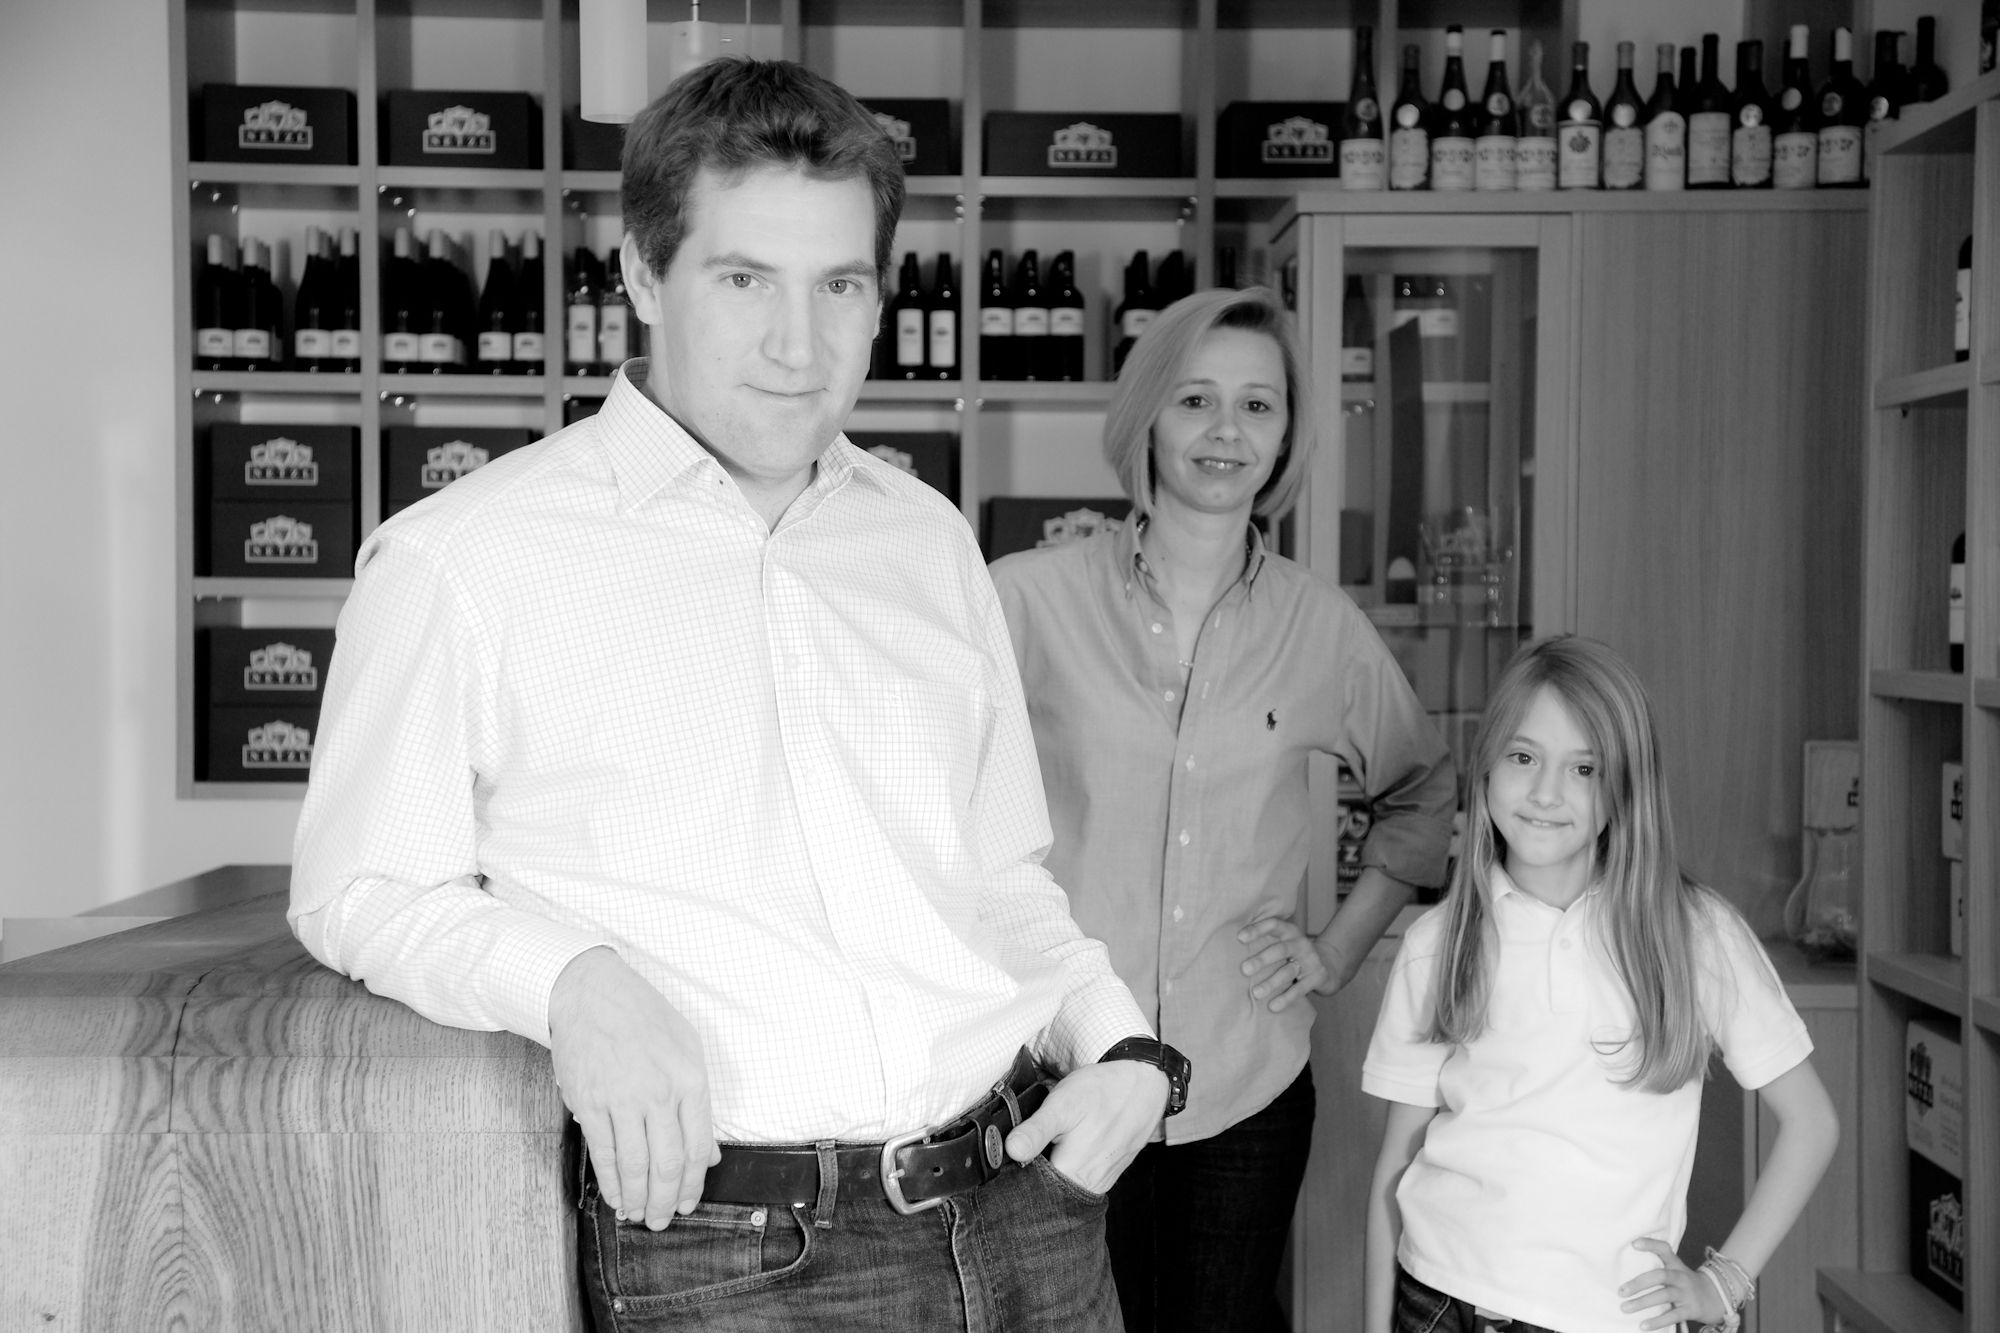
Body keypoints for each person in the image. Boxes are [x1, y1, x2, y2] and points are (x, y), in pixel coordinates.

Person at [289, 57, 1178, 1332]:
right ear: (644, 275)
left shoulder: (926, 540)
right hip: (735, 1256)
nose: (797, 345)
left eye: (839, 285)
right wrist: (571, 979)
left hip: (1026, 1204)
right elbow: (360, 890)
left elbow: (997, 881)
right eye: (743, 278)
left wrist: (1124, 1044)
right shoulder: (462, 560)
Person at [989, 284, 1457, 1333]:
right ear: (1147, 417)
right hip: (1058, 1073)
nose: (1224, 431)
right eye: (1194, 399)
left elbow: (1424, 789)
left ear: (1286, 433)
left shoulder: (1320, 627)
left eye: (1256, 405)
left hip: (1244, 1087)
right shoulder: (1023, 598)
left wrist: (1335, 949)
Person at [1362, 635, 1841, 1333]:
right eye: (1523, 757)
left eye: (1584, 768)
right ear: (1486, 767)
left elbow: (1812, 1122)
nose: (1546, 792)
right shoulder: (1438, 943)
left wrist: (1725, 1282)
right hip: (1436, 1297)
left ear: (1625, 788)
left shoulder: (1696, 933)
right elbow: (1395, 1168)